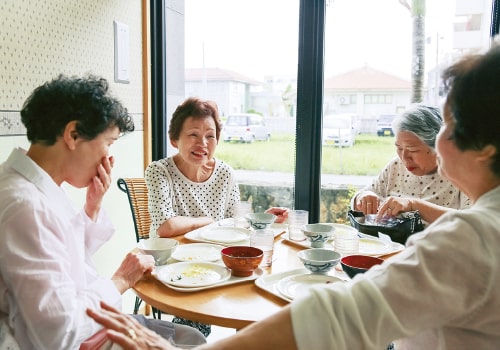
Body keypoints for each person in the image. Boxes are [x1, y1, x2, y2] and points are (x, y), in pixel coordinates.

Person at [88, 43, 500, 349]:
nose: (434, 139)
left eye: (445, 124)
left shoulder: (471, 240)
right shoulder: (478, 230)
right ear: (174, 137)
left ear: (484, 147)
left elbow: (338, 317)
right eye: (193, 135)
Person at [0, 74, 206, 349]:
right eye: (108, 143)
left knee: (190, 337)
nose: (109, 158)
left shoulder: (33, 186)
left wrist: (93, 205)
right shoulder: (25, 206)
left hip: (80, 326)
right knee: (192, 341)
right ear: (73, 135)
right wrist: (120, 281)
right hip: (69, 339)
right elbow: (59, 331)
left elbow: (64, 259)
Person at [351, 104, 470, 224]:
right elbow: (363, 196)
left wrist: (414, 205)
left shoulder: (461, 172)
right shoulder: (396, 166)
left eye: (413, 150)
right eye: (399, 148)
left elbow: (474, 222)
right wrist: (364, 196)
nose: (404, 158)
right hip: (388, 242)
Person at [145, 97, 240, 238]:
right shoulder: (159, 171)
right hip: (169, 256)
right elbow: (165, 227)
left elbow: (236, 223)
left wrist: (265, 219)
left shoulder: (225, 174)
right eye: (193, 134)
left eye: (210, 136)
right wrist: (207, 221)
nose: (202, 143)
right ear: (174, 140)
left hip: (212, 255)